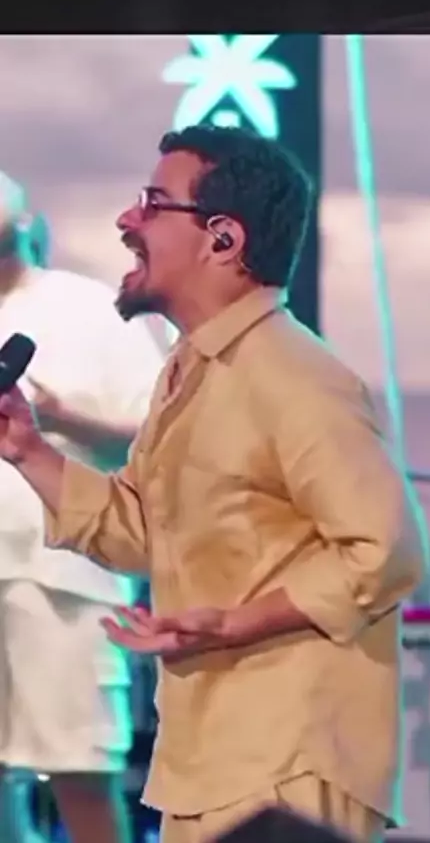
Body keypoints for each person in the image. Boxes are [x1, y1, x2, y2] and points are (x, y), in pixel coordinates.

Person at [0, 126, 429, 843]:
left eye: (152, 203)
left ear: (223, 239)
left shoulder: (295, 376)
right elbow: (144, 531)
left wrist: (236, 622)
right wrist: (28, 449)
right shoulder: (190, 371)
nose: (126, 220)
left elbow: (388, 551)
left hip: (289, 756)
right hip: (210, 753)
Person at [0, 172, 167, 843]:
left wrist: (59, 418)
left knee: (80, 767)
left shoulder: (88, 308)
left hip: (62, 574)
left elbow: (159, 435)